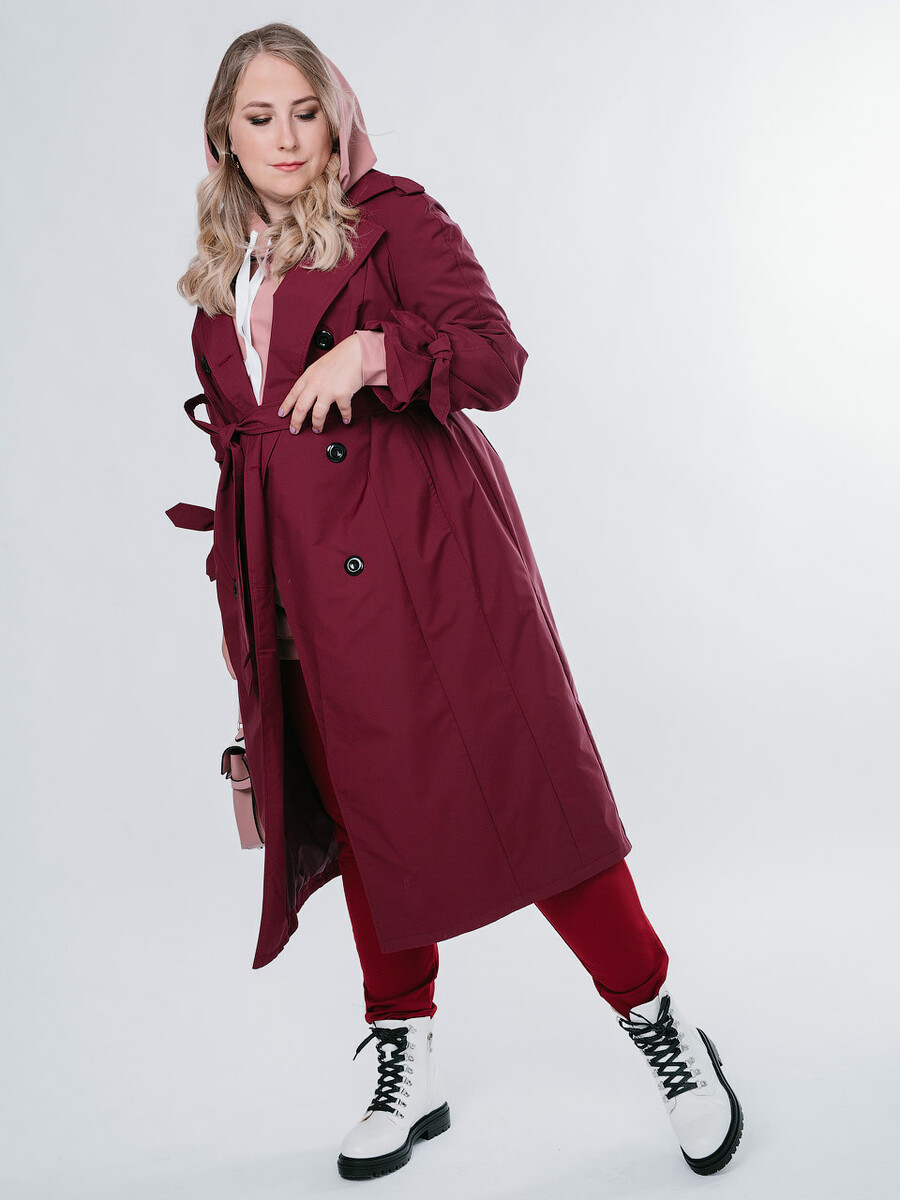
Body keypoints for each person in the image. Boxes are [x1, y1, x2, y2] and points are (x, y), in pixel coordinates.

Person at [169, 21, 743, 1183]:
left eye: (306, 111)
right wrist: (248, 617)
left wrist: (377, 353)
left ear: (337, 114)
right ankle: (407, 1054)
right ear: (223, 137)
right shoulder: (220, 287)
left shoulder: (391, 219)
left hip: (433, 582)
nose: (287, 138)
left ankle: (662, 1028)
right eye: (260, 118)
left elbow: (496, 361)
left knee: (537, 807)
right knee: (364, 825)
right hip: (297, 599)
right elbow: (246, 462)